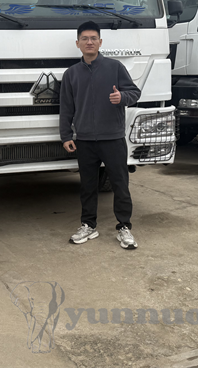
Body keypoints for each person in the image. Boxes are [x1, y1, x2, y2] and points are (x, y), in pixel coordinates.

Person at [59, 21, 142, 250]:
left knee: (120, 184)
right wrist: (66, 136)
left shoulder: (114, 68)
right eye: (84, 38)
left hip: (112, 138)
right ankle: (88, 225)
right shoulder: (71, 74)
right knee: (87, 185)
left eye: (93, 38)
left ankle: (124, 227)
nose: (89, 42)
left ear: (100, 42)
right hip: (84, 140)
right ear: (78, 44)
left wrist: (122, 98)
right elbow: (66, 108)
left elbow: (134, 92)